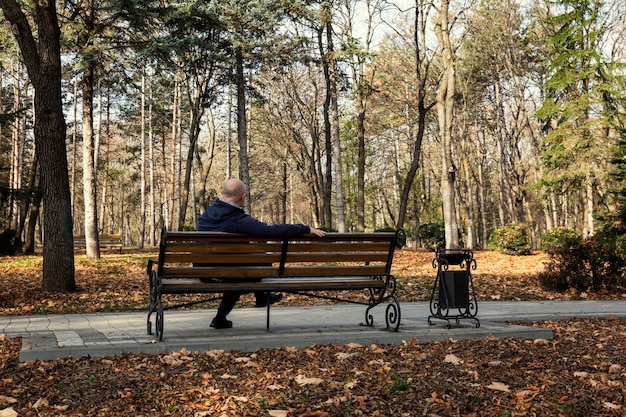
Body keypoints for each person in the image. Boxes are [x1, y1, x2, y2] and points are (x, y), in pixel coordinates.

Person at [198, 178, 326, 329]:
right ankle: (260, 297)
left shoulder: (206, 215)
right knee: (260, 261)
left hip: (204, 272)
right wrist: (304, 228)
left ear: (222, 193)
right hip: (227, 273)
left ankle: (224, 317)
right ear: (243, 197)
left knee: (241, 271)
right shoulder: (237, 219)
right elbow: (270, 231)